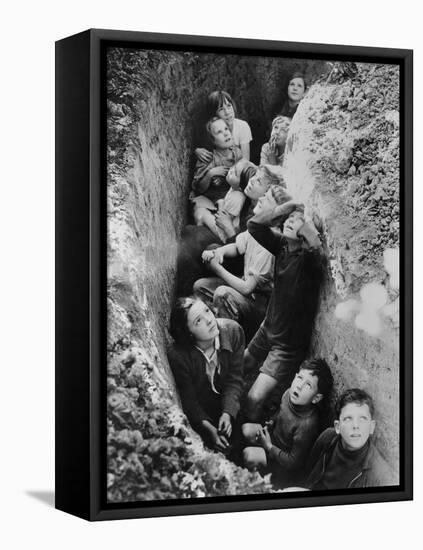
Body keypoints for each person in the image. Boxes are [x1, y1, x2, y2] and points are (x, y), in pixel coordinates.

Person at [244, 199, 324, 422]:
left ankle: (247, 435)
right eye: (290, 219)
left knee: (254, 398)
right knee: (242, 365)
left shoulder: (307, 262)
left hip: (286, 345)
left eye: (298, 221)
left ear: (305, 231)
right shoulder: (282, 246)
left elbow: (317, 251)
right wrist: (286, 208)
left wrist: (305, 223)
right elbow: (254, 226)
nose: (291, 221)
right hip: (267, 327)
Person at [193, 185, 291, 342]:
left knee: (222, 294)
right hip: (245, 291)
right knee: (200, 287)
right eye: (264, 195)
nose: (260, 199)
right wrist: (219, 253)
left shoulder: (269, 247)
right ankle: (210, 330)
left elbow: (247, 289)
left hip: (259, 308)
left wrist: (218, 269)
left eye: (267, 199)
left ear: (276, 214)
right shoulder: (257, 227)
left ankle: (230, 342)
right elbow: (238, 247)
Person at [167, 297, 245, 453]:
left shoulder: (233, 331)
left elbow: (234, 380)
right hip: (202, 412)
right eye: (198, 321)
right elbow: (189, 401)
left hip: (227, 401)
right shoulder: (179, 356)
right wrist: (210, 431)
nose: (209, 320)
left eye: (207, 311)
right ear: (188, 333)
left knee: (239, 441)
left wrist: (228, 413)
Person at [242, 359, 333, 487]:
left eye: (308, 385)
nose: (299, 386)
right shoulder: (288, 394)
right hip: (273, 441)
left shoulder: (307, 425)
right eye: (300, 378)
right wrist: (271, 423)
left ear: (316, 398)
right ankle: (254, 463)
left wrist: (268, 447)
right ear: (295, 377)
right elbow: (280, 412)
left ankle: (259, 482)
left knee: (248, 455)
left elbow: (293, 463)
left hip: (282, 465)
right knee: (246, 429)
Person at [305, 388, 397, 489]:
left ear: (371, 427)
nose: (356, 426)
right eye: (348, 418)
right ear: (337, 426)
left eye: (362, 419)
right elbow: (307, 473)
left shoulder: (381, 475)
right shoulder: (327, 438)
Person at [191, 117, 243, 221]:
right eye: (219, 132)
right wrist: (210, 174)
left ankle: (230, 227)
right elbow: (199, 189)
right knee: (200, 213)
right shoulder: (208, 158)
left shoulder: (237, 153)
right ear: (212, 140)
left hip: (230, 198)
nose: (226, 134)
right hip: (209, 199)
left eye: (226, 129)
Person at [193, 158, 253, 243]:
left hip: (223, 232)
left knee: (200, 212)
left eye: (235, 173)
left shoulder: (237, 198)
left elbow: (223, 218)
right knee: (202, 208)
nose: (231, 170)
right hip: (222, 221)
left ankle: (199, 234)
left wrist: (221, 203)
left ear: (240, 187)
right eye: (234, 167)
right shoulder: (234, 188)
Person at [196, 90, 252, 162]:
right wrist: (197, 151)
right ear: (214, 114)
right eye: (221, 109)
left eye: (229, 106)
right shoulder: (211, 129)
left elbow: (245, 160)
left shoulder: (242, 126)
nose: (227, 112)